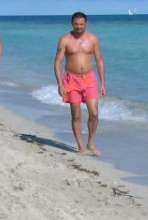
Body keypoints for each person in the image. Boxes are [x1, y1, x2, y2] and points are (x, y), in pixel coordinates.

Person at [54, 12, 106, 156]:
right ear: (72, 23)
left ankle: (91, 142)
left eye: (81, 24)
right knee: (76, 115)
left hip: (89, 78)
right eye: (76, 24)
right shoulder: (65, 39)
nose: (79, 27)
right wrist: (60, 83)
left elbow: (99, 61)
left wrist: (102, 82)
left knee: (94, 113)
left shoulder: (93, 39)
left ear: (86, 23)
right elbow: (57, 62)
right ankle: (81, 146)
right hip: (71, 80)